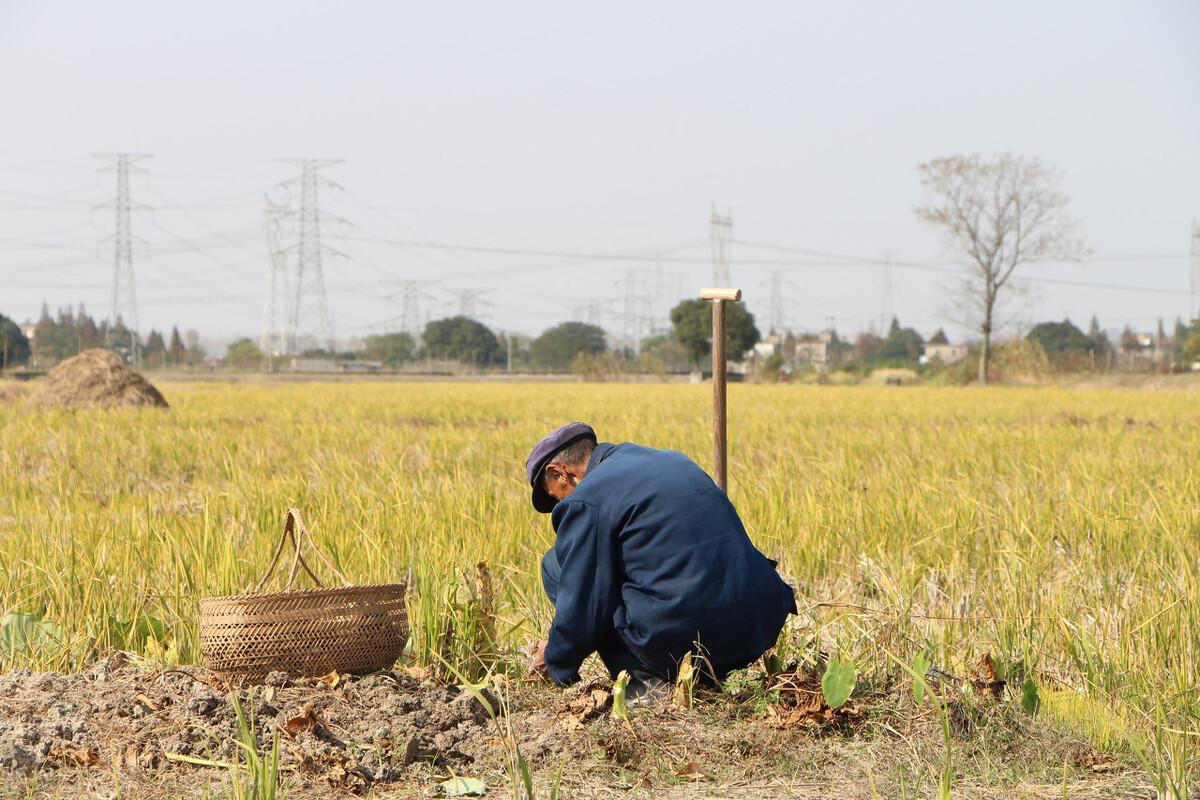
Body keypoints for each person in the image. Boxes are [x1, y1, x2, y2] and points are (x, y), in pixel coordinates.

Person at [525, 422, 796, 700]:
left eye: (554, 496)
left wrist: (556, 661)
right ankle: (712, 676)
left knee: (555, 565)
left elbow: (582, 603)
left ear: (560, 473)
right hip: (755, 625)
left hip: (687, 638)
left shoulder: (586, 498)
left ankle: (642, 681)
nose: (560, 504)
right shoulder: (674, 460)